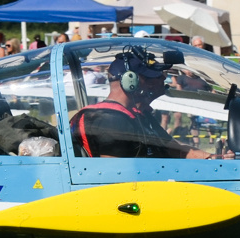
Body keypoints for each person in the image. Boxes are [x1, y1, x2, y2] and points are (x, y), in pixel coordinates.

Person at [69, 51, 221, 159]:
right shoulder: (110, 120)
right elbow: (116, 177)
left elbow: (172, 148)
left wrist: (211, 158)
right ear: (131, 81)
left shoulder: (137, 114)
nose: (159, 82)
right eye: (150, 78)